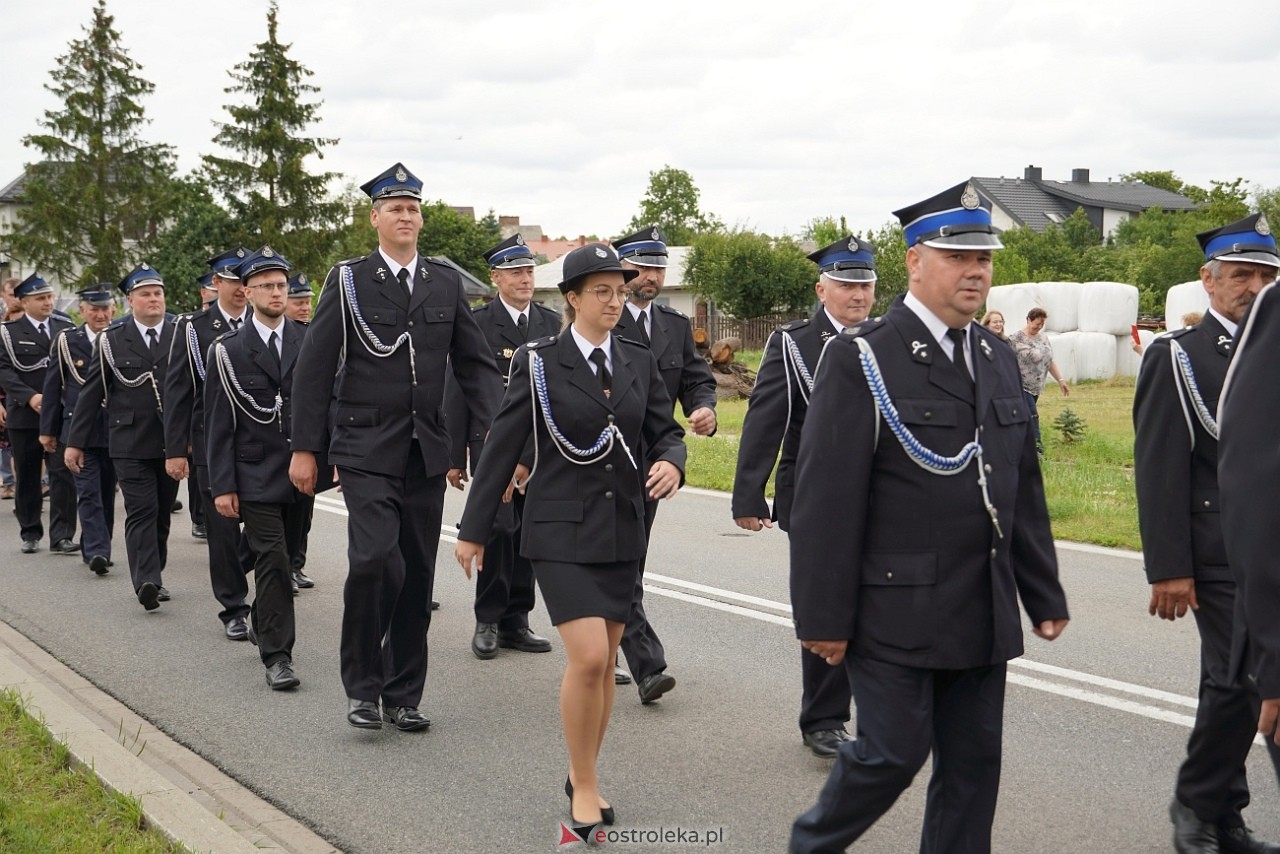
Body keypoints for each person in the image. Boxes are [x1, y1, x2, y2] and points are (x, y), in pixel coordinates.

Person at [787, 181, 1069, 853]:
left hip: (982, 603)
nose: (976, 271)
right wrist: (822, 620)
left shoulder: (999, 359)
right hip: (895, 603)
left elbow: (1019, 488)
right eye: (958, 257)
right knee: (891, 754)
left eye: (985, 259)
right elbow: (825, 500)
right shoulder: (863, 357)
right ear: (916, 260)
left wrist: (1042, 591)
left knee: (974, 772)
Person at [455, 242, 686, 833]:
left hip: (622, 529)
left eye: (621, 290)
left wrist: (673, 462)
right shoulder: (537, 362)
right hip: (558, 529)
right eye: (602, 291)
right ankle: (584, 784)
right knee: (587, 657)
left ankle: (583, 767)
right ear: (574, 299)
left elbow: (665, 431)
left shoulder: (637, 358)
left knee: (606, 662)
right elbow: (503, 443)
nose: (615, 300)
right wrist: (474, 529)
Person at [290, 162, 503, 731]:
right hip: (363, 446)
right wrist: (305, 448)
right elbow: (313, 370)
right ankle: (362, 686)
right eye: (395, 208)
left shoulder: (443, 282)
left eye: (413, 209)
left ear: (421, 219)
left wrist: (504, 441)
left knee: (414, 573)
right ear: (375, 218)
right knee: (374, 561)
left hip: (425, 450)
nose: (405, 216)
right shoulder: (350, 281)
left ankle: (403, 692)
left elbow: (478, 369)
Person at [732, 235, 875, 759]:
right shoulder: (794, 343)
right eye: (845, 285)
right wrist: (750, 493)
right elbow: (767, 416)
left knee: (879, 605)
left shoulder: (886, 338)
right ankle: (824, 718)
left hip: (881, 496)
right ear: (822, 289)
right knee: (827, 602)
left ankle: (880, 708)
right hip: (815, 495)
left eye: (865, 285)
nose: (857, 295)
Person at [1188, 214, 1280, 854]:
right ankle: (1200, 809)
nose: (1254, 286)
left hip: (1257, 554)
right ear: (1209, 280)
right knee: (1238, 683)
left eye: (1266, 274)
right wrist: (1168, 565)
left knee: (1236, 686)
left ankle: (1221, 811)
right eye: (1241, 274)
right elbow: (1163, 469)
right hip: (1219, 552)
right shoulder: (1180, 354)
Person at [609, 225, 717, 701]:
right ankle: (646, 664)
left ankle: (604, 638)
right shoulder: (604, 318)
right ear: (622, 267)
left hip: (653, 462)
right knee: (621, 560)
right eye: (642, 265)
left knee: (631, 556)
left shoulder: (673, 325)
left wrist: (705, 407)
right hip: (603, 459)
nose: (651, 275)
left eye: (658, 266)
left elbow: (694, 378)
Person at [445, 233, 557, 660]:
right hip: (492, 442)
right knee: (497, 528)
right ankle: (488, 618)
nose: (525, 279)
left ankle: (517, 621)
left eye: (529, 271)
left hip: (540, 447)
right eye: (515, 272)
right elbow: (458, 388)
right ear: (496, 278)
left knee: (530, 533)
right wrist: (455, 456)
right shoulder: (477, 322)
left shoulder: (550, 323)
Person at [205, 246, 309, 691]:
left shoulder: (310, 340)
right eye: (265, 285)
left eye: (281, 285)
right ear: (246, 292)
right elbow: (218, 425)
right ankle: (278, 655)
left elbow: (329, 403)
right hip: (254, 473)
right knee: (274, 560)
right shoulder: (228, 350)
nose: (275, 292)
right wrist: (222, 486)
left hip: (301, 472)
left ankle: (263, 621)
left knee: (289, 551)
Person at [66, 264, 180, 612]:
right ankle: (146, 579)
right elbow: (91, 393)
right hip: (129, 440)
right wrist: (75, 441)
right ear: (130, 300)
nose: (153, 299)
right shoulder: (112, 339)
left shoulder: (182, 332)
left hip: (171, 442)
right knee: (141, 509)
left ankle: (154, 570)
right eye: (145, 294)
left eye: (157, 293)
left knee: (162, 511)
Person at [165, 247, 255, 640]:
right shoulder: (192, 328)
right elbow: (178, 391)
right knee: (221, 530)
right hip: (210, 443)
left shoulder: (266, 321)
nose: (239, 287)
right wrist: (174, 449)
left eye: (244, 279)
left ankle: (243, 568)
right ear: (216, 283)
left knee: (273, 528)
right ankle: (234, 607)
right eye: (231, 279)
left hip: (261, 443)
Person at [40, 285, 118, 575]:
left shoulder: (119, 338)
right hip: (78, 431)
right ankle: (97, 551)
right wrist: (47, 430)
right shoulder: (66, 341)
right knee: (87, 492)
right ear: (82, 311)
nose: (100, 314)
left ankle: (98, 544)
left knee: (107, 491)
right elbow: (53, 387)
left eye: (104, 308)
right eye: (93, 309)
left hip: (114, 428)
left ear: (113, 309)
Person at [0, 273, 78, 555]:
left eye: (49, 297)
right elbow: (4, 371)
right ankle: (30, 530)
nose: (47, 302)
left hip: (59, 413)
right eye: (40, 298)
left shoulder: (66, 326)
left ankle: (62, 534)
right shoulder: (7, 332)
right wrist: (29, 396)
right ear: (24, 301)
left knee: (62, 473)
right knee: (29, 475)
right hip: (25, 414)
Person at [282, 271, 315, 591]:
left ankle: (295, 564)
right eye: (299, 301)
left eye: (308, 301)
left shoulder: (314, 335)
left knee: (303, 509)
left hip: (307, 436)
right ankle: (281, 565)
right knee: (280, 510)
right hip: (277, 435)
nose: (305, 307)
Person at [1008, 307, 1068, 453]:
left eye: (1041, 326)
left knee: (1024, 418)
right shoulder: (1015, 339)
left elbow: (1049, 361)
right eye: (1036, 325)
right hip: (1020, 385)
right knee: (1032, 415)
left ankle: (1017, 446)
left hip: (1036, 386)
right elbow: (1006, 362)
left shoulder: (1043, 338)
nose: (1038, 328)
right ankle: (1038, 450)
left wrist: (1060, 380)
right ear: (1028, 320)